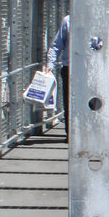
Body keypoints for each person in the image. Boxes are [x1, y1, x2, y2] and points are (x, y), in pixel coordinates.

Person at [46, 13, 70, 141]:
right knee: (69, 101)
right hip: (70, 68)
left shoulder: (99, 19)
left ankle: (90, 133)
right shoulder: (68, 20)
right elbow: (57, 44)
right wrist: (50, 64)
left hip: (92, 69)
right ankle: (71, 134)